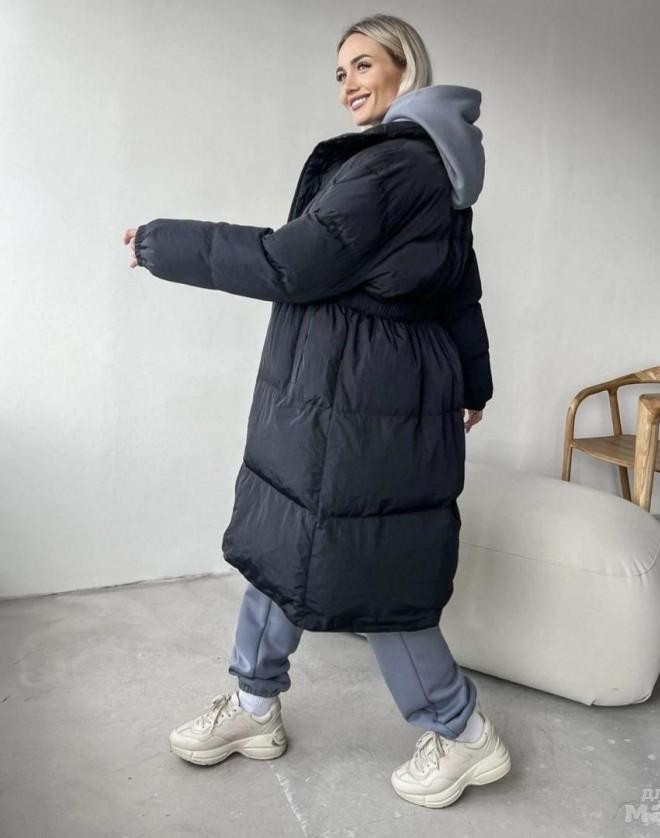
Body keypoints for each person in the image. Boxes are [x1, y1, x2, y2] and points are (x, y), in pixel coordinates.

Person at [123, 13, 510, 810]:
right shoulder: (426, 164)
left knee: (377, 565)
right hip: (336, 390)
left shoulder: (398, 164)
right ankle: (255, 704)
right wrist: (474, 384)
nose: (348, 85)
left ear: (407, 66)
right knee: (283, 543)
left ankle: (465, 733)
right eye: (339, 73)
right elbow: (459, 290)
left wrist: (159, 243)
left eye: (363, 64)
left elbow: (289, 264)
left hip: (369, 398)